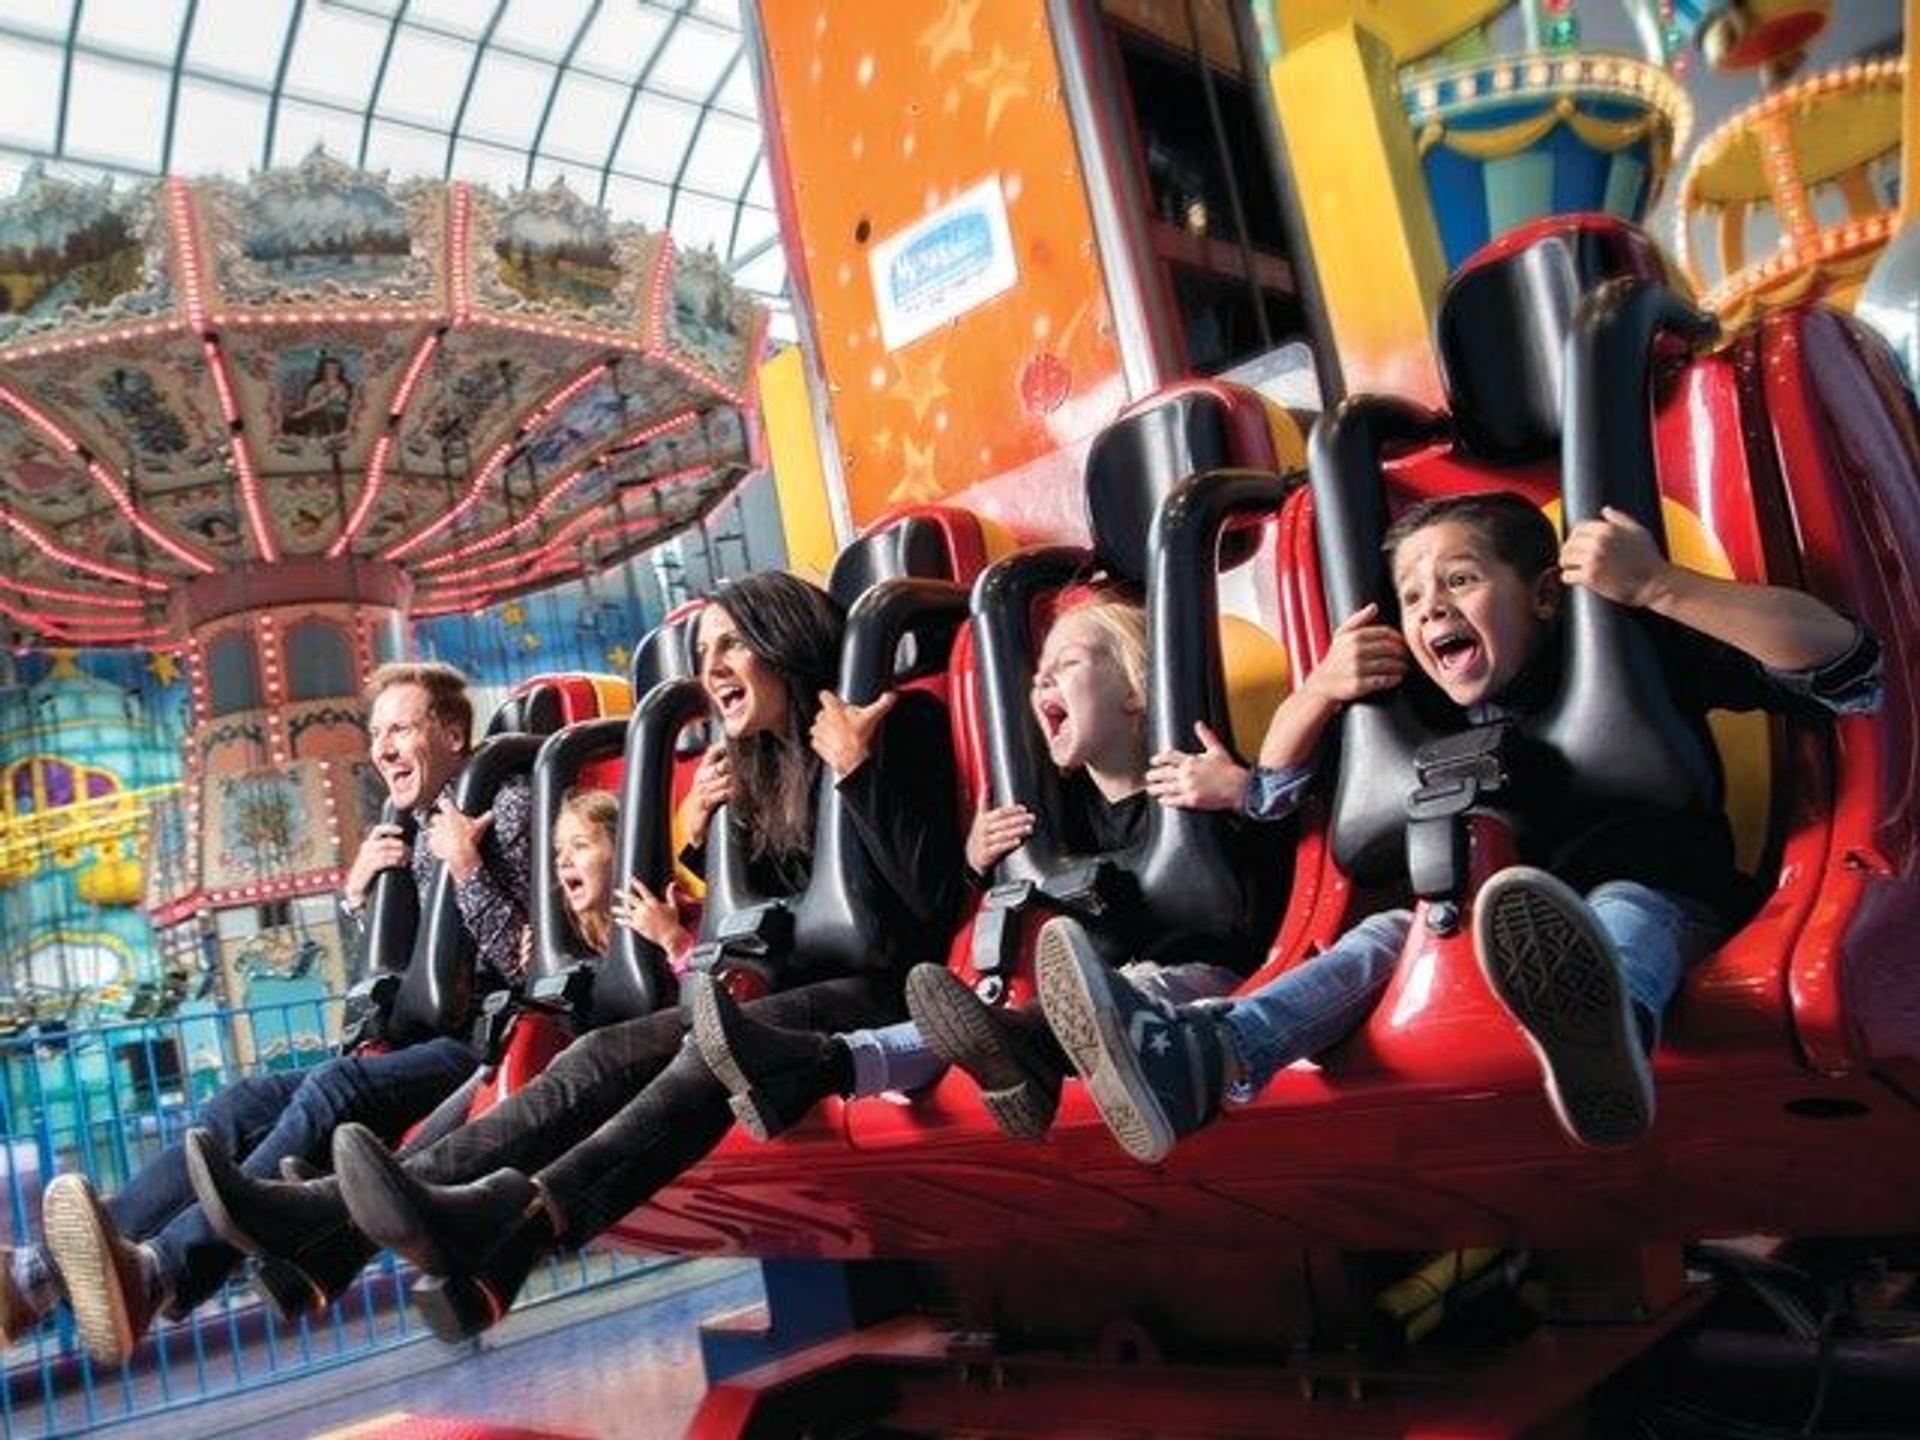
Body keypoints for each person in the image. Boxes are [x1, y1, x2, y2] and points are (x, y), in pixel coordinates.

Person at [188, 572, 966, 1343]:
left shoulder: (898, 722)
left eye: (732, 644)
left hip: (887, 994)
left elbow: (927, 908)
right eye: (704, 653)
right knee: (600, 1052)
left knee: (713, 1052)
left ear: (785, 639)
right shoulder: (755, 769)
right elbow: (765, 920)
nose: (714, 669)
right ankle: (360, 1226)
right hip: (781, 996)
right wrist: (700, 834)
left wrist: (860, 772)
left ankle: (382, 1231)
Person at [1036, 493, 1881, 1163]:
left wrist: (1659, 585)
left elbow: (1848, 665)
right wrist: (1324, 689)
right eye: (1412, 596)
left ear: (1545, 594)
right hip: (1465, 921)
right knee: (1380, 938)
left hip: (1656, 892)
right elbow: (1279, 791)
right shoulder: (1413, 711)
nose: (1432, 607)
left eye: (1461, 580)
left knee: (1625, 909)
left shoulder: (1621, 654)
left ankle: (1603, 1030)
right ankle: (1205, 1057)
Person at [9, 663, 533, 1365]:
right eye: (376, 733)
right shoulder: (403, 834)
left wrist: (467, 866)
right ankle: (37, 1279)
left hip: (492, 1043)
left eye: (400, 728)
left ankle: (161, 1268)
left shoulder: (509, 803)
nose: (382, 748)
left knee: (333, 1091)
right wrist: (359, 898)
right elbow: (392, 979)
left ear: (449, 731)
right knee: (237, 1103)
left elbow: (533, 959)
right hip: (408, 1042)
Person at [687, 591, 1279, 1143]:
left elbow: (1263, 875)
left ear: (1136, 691)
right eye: (1038, 670)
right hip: (1090, 989)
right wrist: (973, 862)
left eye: (1067, 664)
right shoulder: (1053, 816)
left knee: (1099, 1000)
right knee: (979, 1028)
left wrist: (1242, 792)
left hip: (1191, 986)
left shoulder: (1198, 781)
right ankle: (824, 1064)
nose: (1042, 677)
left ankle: (1006, 1048)